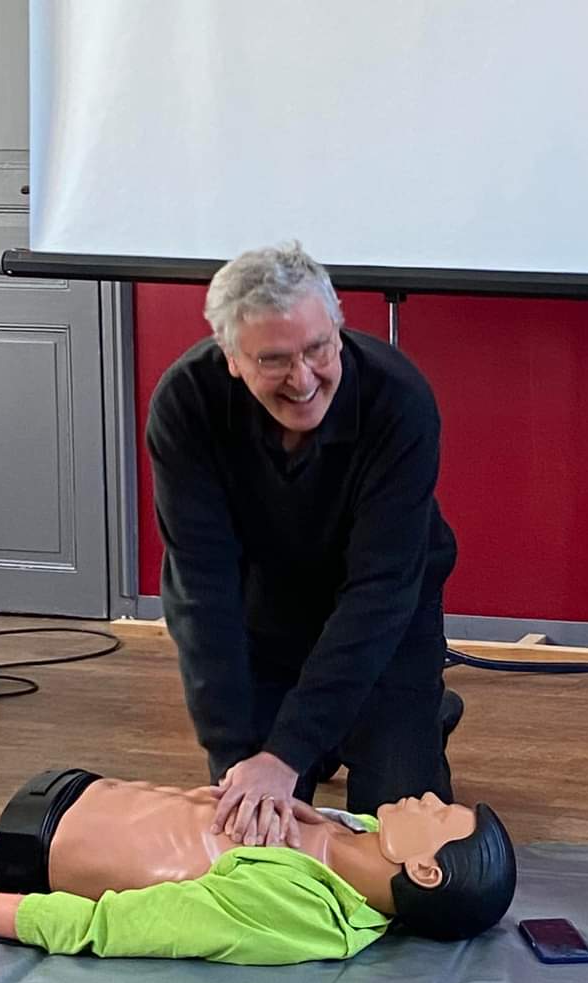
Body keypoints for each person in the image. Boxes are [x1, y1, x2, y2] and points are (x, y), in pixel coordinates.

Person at [146, 241, 462, 846]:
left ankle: (413, 718)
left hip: (387, 618)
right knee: (258, 832)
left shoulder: (399, 400)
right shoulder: (185, 405)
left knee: (389, 837)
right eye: (274, 360)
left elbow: (379, 593)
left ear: (339, 326)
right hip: (263, 613)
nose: (304, 378)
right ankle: (349, 729)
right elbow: (201, 595)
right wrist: (238, 758)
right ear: (232, 358)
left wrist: (287, 752)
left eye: (318, 348)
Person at [0, 768, 516, 964]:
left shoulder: (304, 912)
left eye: (440, 813)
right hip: (76, 786)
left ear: (425, 870)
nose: (427, 796)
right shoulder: (366, 831)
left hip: (39, 847)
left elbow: (111, 926)